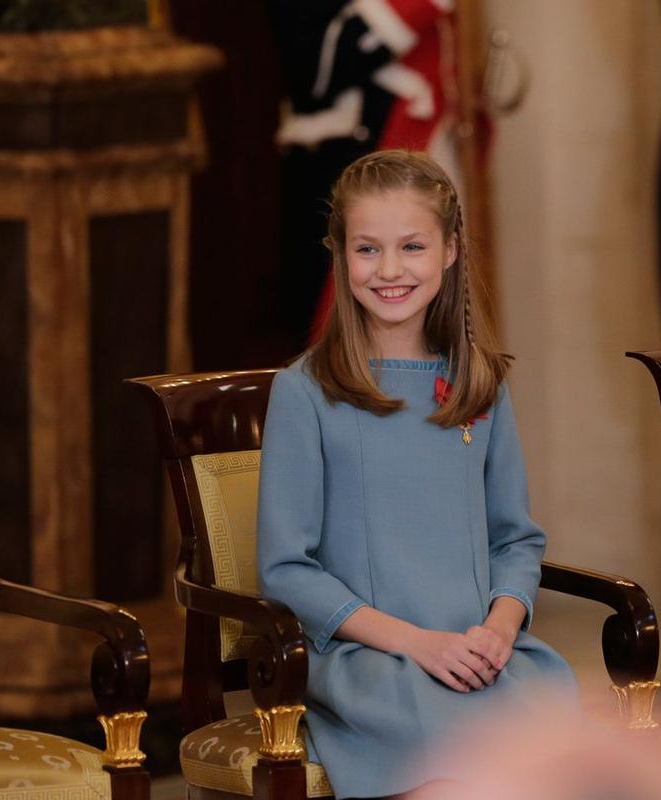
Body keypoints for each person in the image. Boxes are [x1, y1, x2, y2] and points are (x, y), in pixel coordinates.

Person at [256, 150, 575, 798]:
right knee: (462, 761)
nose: (391, 270)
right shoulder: (305, 393)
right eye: (368, 249)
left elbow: (514, 539)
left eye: (412, 246)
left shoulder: (479, 385)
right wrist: (418, 645)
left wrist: (500, 628)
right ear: (339, 254)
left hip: (481, 656)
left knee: (557, 740)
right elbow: (285, 567)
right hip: (372, 664)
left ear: (450, 249)